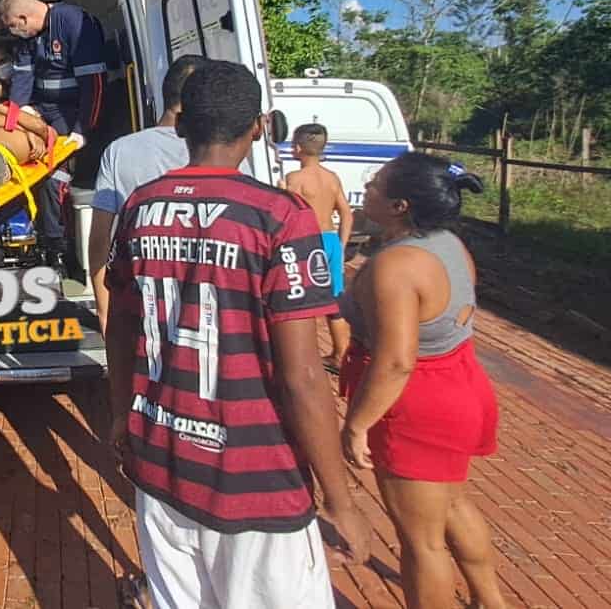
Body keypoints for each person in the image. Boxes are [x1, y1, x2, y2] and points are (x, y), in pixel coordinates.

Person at [104, 60, 370, 608]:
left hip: (161, 461)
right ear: (259, 126)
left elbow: (120, 325)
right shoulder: (279, 216)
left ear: (180, 125)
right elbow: (300, 377)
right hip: (255, 479)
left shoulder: (141, 205)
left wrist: (118, 415)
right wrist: (341, 499)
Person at [339, 153, 505, 609]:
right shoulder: (449, 245)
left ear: (400, 205)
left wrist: (356, 425)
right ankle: (492, 601)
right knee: (451, 504)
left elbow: (396, 361)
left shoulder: (397, 266)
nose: (367, 187)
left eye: (376, 184)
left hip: (416, 407)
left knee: (421, 541)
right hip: (460, 382)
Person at [87, 55, 207, 334]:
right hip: (207, 305)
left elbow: (99, 239)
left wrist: (104, 310)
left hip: (141, 303)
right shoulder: (226, 154)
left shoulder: (119, 151)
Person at [0, 0, 109, 266]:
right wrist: (17, 115)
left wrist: (83, 129)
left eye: (13, 26)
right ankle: (40, 236)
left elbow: (94, 84)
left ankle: (58, 246)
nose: (15, 33)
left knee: (54, 180)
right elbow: (22, 79)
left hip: (72, 114)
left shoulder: (72, 22)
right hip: (44, 111)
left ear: (23, 18)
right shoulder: (28, 39)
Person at [281, 123, 355, 367]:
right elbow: (347, 214)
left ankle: (305, 357)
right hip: (331, 241)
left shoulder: (295, 179)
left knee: (302, 300)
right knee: (334, 302)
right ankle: (340, 353)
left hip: (308, 243)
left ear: (298, 148)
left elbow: (285, 213)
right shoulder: (332, 178)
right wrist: (342, 246)